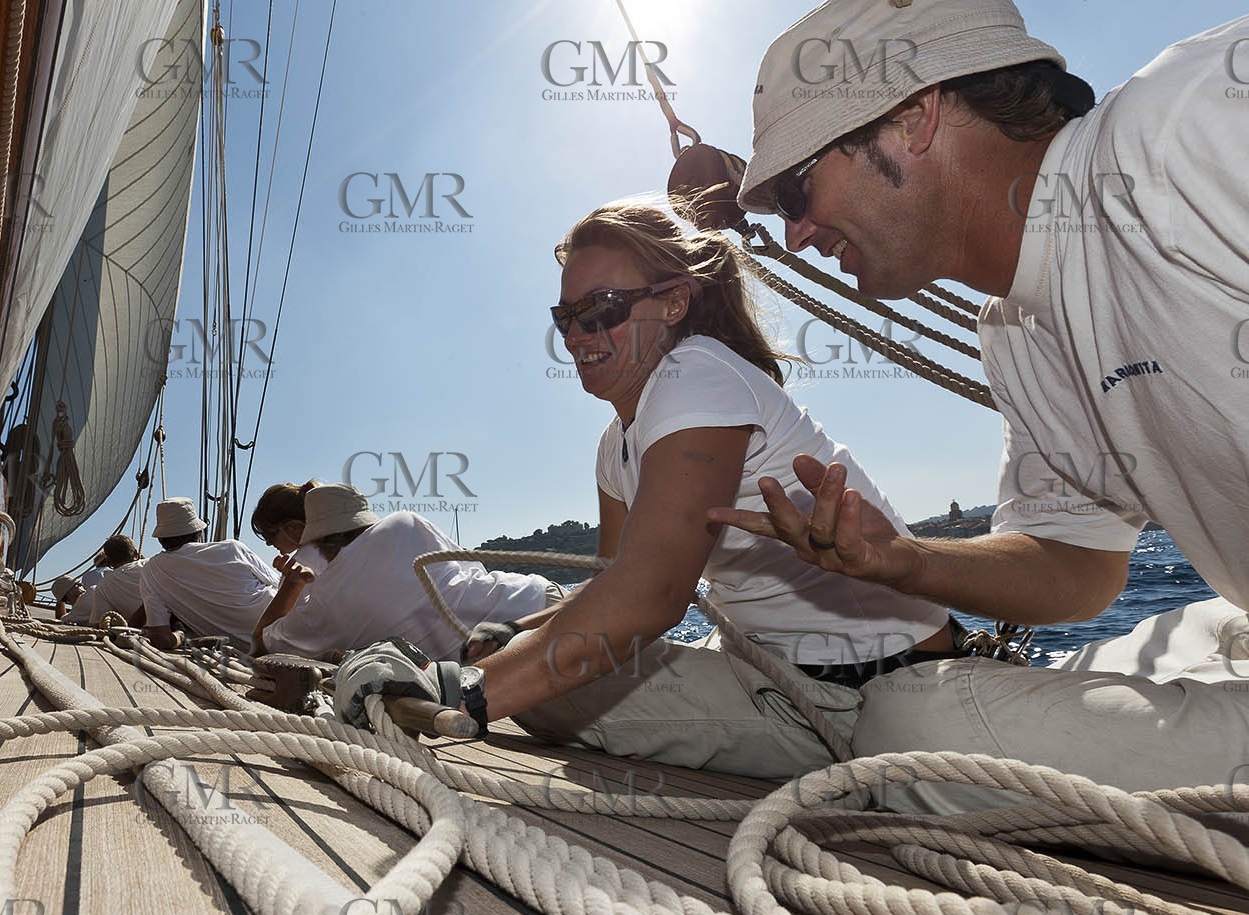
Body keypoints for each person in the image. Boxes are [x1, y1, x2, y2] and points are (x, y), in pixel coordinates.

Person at [701, 0, 1249, 799]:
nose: (797, 238)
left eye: (794, 192)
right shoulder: (1016, 334)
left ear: (912, 119)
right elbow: (1081, 565)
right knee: (912, 718)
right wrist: (903, 561)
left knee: (916, 740)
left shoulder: (1184, 124)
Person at [338, 201, 961, 779]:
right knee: (541, 679)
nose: (578, 334)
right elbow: (614, 580)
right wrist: (518, 629)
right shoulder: (616, 445)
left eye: (601, 307)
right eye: (566, 316)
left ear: (672, 305)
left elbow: (655, 595)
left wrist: (461, 690)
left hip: (889, 686)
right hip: (780, 683)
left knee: (536, 686)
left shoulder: (697, 374)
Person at [255, 484, 559, 661]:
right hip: (538, 597)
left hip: (509, 654)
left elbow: (262, 645)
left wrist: (291, 585)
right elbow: (470, 570)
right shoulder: (405, 522)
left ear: (309, 537)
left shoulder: (326, 600)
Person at [139, 498, 278, 652]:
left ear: (160, 538)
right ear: (199, 533)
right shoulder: (233, 548)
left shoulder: (150, 571)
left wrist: (181, 635)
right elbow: (281, 584)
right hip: (290, 627)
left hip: (250, 649)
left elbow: (161, 639)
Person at [250, 481, 328, 578]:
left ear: (292, 527)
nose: (268, 543)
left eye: (270, 535)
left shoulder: (303, 562)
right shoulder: (334, 547)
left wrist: (290, 579)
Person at [80, 534, 147, 627]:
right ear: (136, 554)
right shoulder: (153, 564)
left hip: (142, 631)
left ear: (109, 561)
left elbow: (99, 623)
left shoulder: (102, 587)